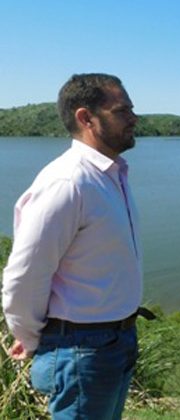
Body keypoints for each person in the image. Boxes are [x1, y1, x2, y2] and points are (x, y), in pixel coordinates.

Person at [2, 73, 144, 419]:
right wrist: (31, 337)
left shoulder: (109, 176)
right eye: (122, 110)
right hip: (81, 350)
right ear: (86, 118)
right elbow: (24, 274)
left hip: (114, 342)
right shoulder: (68, 182)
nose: (133, 118)